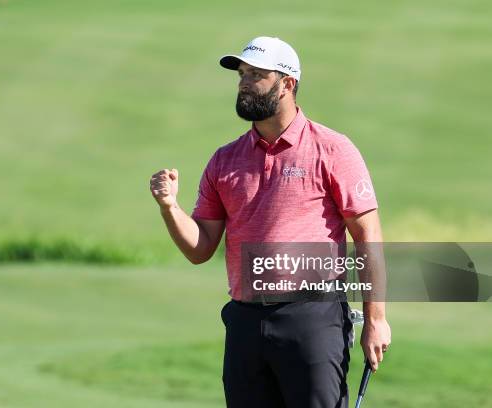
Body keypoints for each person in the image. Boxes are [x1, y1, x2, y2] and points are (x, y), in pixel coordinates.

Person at [149, 36, 391, 408]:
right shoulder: (224, 160)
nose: (244, 82)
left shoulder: (332, 149)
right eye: (242, 74)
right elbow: (200, 248)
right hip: (245, 321)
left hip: (313, 317)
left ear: (287, 84)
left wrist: (376, 319)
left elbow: (367, 235)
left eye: (257, 75)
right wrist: (170, 208)